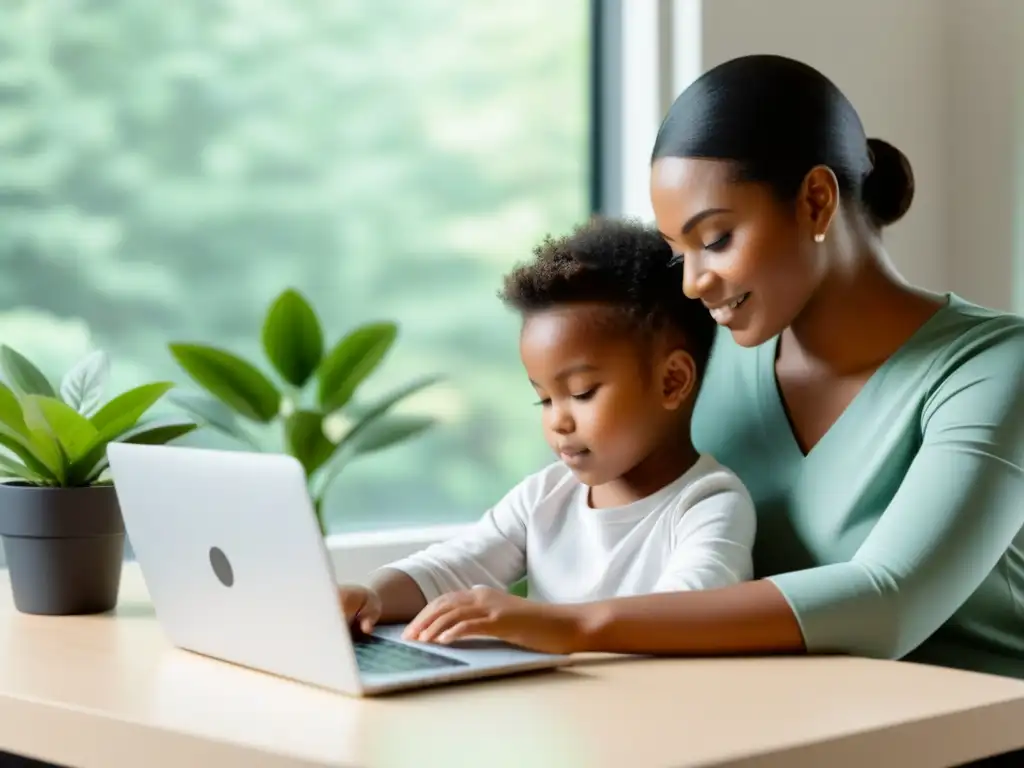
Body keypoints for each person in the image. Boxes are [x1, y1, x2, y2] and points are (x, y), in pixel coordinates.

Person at [387, 53, 1024, 682]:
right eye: (678, 251)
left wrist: (575, 625)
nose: (691, 284)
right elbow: (593, 507)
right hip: (769, 728)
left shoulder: (993, 367)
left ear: (817, 201)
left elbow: (889, 602)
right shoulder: (710, 355)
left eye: (716, 238)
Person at [337, 218, 757, 639]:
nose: (558, 420)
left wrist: (542, 622)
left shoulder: (709, 504)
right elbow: (453, 567)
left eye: (582, 392)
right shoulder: (545, 497)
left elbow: (691, 612)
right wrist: (371, 595)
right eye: (544, 398)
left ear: (672, 382)